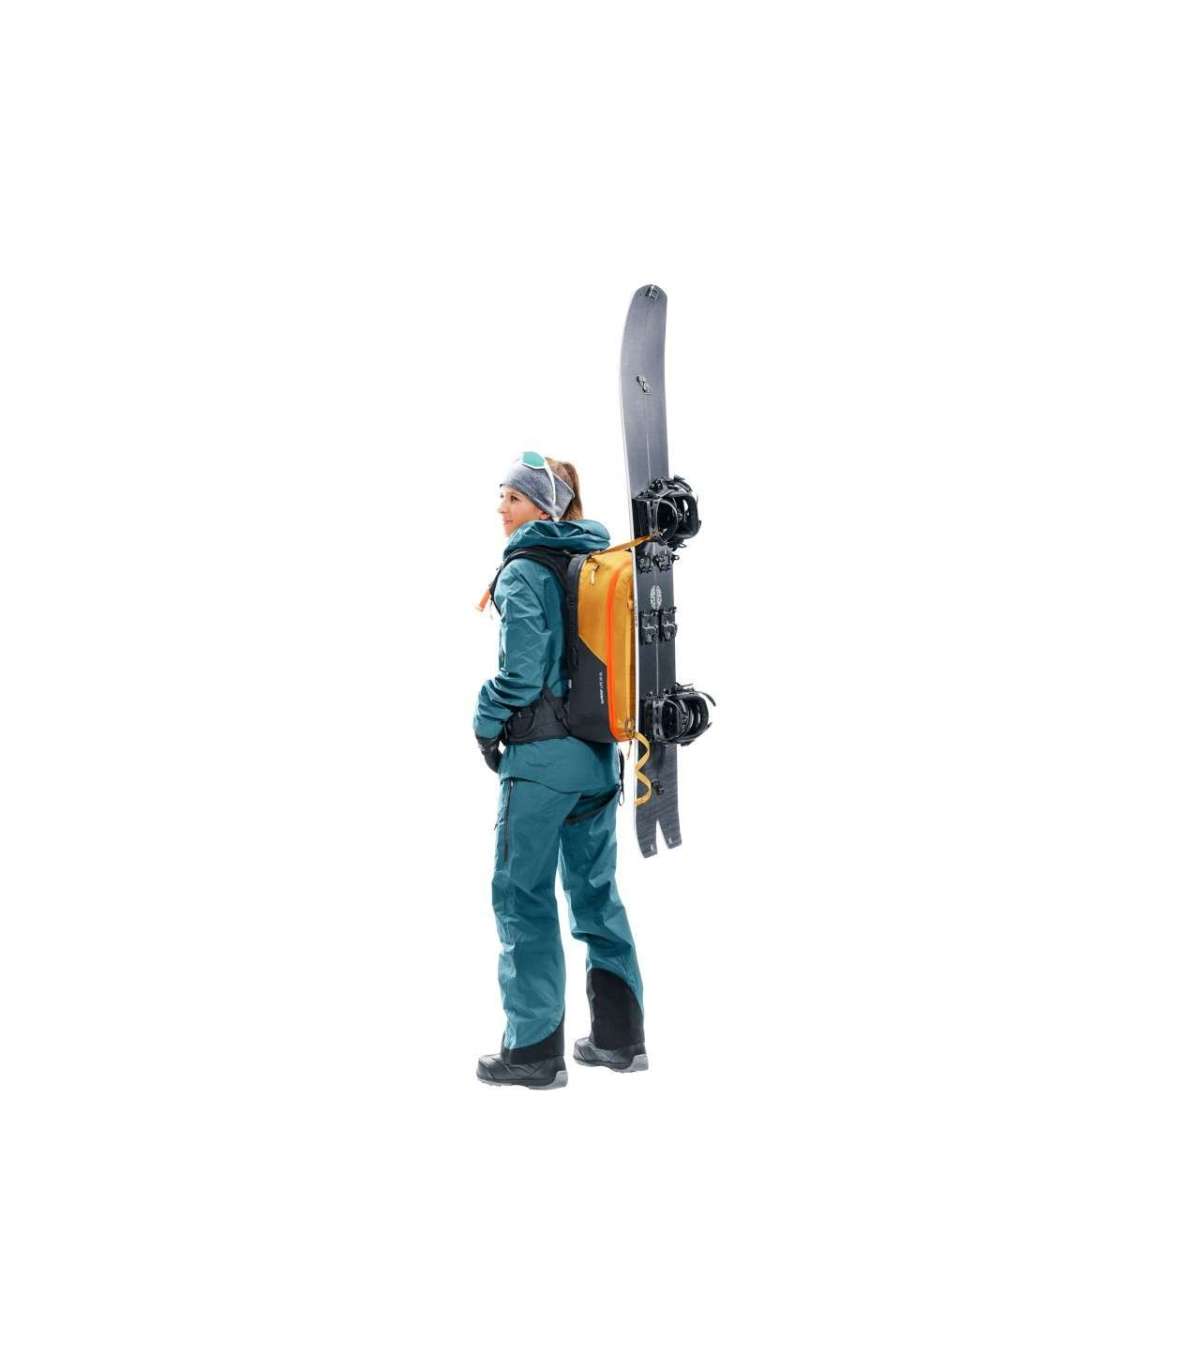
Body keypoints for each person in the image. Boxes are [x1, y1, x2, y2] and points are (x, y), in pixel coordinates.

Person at [473, 452, 647, 1089]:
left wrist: (484, 719)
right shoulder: (594, 564)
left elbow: (521, 675)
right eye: (502, 496)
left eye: (514, 498)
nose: (501, 507)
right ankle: (620, 1040)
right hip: (599, 758)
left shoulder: (523, 571)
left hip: (541, 766)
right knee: (596, 893)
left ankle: (533, 1052)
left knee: (522, 897)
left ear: (544, 508)